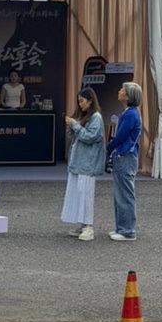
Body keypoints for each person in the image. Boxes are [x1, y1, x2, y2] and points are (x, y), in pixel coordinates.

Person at [61, 87, 105, 241]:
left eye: (82, 101)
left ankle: (89, 227)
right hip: (79, 162)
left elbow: (90, 137)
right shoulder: (86, 116)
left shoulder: (96, 117)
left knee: (86, 195)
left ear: (90, 101)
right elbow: (77, 136)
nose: (80, 104)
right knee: (79, 194)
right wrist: (72, 126)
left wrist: (75, 125)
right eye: (79, 101)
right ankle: (82, 224)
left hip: (87, 163)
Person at [106, 81, 143, 241]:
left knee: (125, 194)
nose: (119, 91)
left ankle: (127, 230)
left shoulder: (130, 114)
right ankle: (121, 228)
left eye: (122, 90)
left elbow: (120, 136)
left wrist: (109, 147)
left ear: (128, 96)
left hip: (125, 156)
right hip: (126, 155)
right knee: (121, 193)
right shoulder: (131, 112)